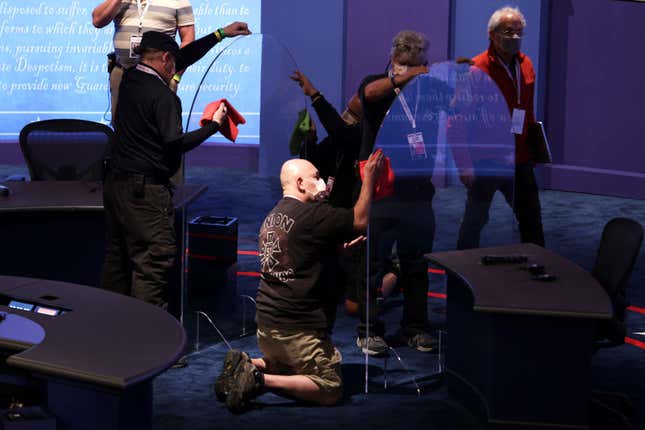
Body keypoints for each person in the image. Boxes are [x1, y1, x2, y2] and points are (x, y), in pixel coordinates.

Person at [216, 151, 384, 413]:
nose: (322, 182)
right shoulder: (313, 215)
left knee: (291, 365)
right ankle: (259, 379)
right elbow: (360, 220)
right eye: (316, 177)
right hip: (298, 329)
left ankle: (251, 363)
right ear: (300, 183)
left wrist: (338, 253)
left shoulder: (272, 216)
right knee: (330, 387)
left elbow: (300, 258)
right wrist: (370, 179)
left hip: (266, 327)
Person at [100, 25, 251, 311]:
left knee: (117, 262)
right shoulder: (164, 97)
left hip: (115, 187)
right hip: (145, 193)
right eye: (173, 62)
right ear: (166, 59)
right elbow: (174, 144)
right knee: (152, 263)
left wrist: (221, 34)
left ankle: (111, 336)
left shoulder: (130, 78)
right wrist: (213, 127)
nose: (176, 69)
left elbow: (183, 57)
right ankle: (149, 344)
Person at [353, 30, 440, 355]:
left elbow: (460, 101)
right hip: (382, 192)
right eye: (403, 65)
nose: (409, 72)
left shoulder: (429, 92)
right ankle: (368, 329)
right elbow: (368, 93)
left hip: (418, 190)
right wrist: (403, 78)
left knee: (416, 262)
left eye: (416, 66)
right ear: (392, 62)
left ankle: (415, 327)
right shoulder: (378, 85)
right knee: (374, 263)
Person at [455, 6, 545, 250]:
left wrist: (533, 148)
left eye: (519, 32)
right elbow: (458, 120)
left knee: (531, 218)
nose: (515, 37)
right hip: (486, 160)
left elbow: (526, 110)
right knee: (475, 220)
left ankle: (537, 267)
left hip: (519, 158)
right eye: (509, 31)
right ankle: (461, 270)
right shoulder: (477, 70)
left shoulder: (526, 65)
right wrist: (464, 164)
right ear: (493, 34)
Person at [92, 0, 195, 120]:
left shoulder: (179, 2)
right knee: (120, 123)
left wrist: (176, 76)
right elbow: (97, 21)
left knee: (159, 124)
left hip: (159, 77)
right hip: (122, 72)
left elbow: (188, 39)